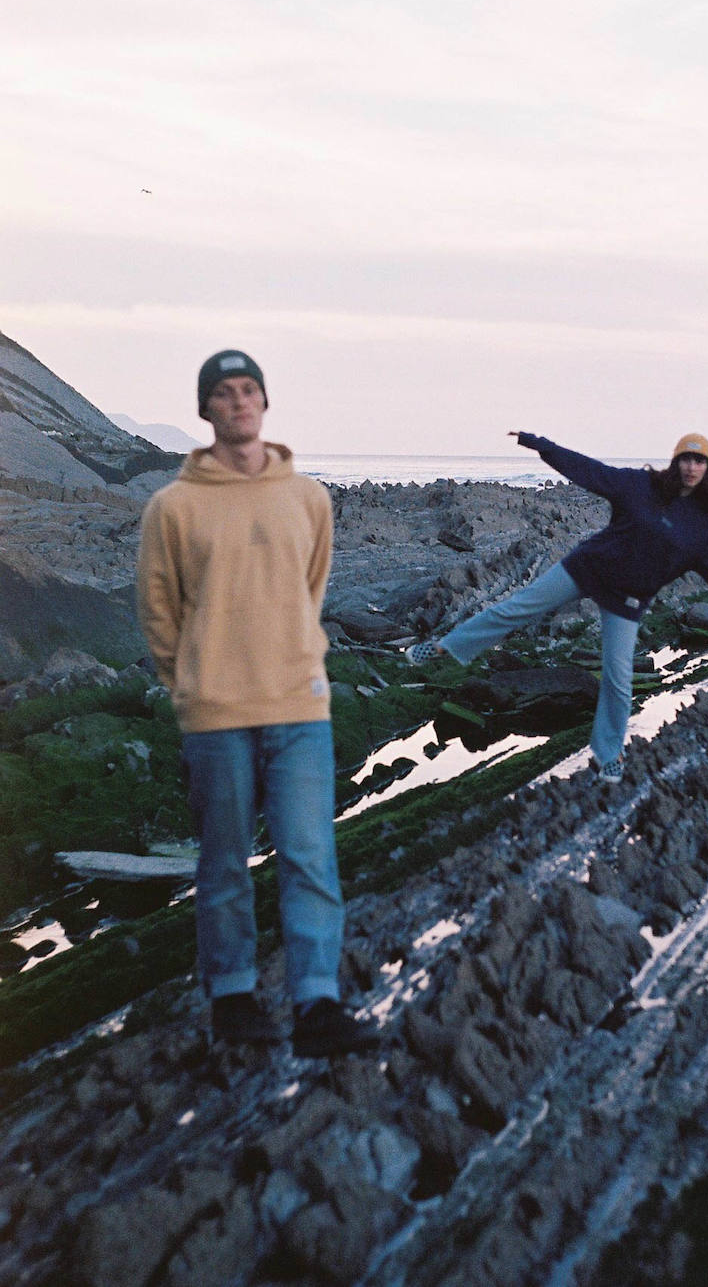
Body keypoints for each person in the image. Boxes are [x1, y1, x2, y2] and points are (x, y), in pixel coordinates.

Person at [137, 350, 377, 1057]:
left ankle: (318, 1005)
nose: (239, 403)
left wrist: (291, 659)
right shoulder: (172, 507)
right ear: (205, 409)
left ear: (264, 404)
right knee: (223, 862)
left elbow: (312, 589)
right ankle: (234, 996)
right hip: (216, 712)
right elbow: (158, 611)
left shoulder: (307, 498)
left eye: (249, 391)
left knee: (310, 855)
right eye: (223, 393)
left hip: (298, 707)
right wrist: (191, 684)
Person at [407, 432, 708, 781]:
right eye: (686, 459)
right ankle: (444, 646)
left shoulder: (704, 532)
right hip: (585, 570)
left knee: (619, 681)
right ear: (676, 462)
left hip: (626, 600)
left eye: (699, 461)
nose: (691, 467)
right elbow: (589, 471)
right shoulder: (641, 486)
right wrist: (542, 446)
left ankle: (607, 758)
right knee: (516, 609)